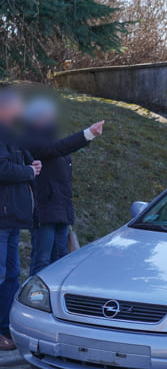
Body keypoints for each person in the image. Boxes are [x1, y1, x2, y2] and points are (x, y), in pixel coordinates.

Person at [22, 97, 103, 276]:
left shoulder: (49, 139)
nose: (52, 119)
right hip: (44, 210)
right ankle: (34, 300)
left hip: (59, 210)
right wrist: (87, 134)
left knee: (60, 259)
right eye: (48, 115)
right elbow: (58, 148)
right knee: (42, 260)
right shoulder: (31, 140)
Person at [0, 86, 42, 351]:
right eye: (18, 105)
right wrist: (28, 170)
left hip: (13, 219)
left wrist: (31, 166)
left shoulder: (11, 133)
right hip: (2, 220)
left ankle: (5, 328)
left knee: (12, 275)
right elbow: (2, 168)